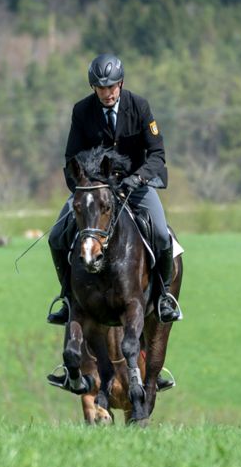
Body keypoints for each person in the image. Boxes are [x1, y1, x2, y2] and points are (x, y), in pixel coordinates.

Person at [46, 53, 182, 326]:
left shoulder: (140, 106)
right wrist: (85, 186)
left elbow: (157, 155)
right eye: (101, 88)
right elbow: (72, 157)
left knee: (160, 233)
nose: (107, 93)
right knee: (56, 236)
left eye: (111, 87)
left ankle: (164, 296)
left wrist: (138, 178)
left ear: (120, 84)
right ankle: (67, 297)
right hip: (96, 188)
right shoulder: (82, 111)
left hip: (136, 185)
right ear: (93, 88)